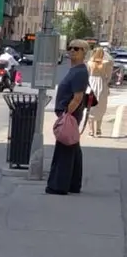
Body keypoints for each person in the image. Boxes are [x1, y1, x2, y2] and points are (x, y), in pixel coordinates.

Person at [47, 40, 90, 195]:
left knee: (64, 149)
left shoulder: (79, 72)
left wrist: (66, 115)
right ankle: (73, 184)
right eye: (70, 48)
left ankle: (58, 186)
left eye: (76, 49)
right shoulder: (75, 69)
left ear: (84, 52)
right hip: (70, 114)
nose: (72, 51)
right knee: (72, 146)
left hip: (70, 114)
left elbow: (77, 97)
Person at [86, 46, 112, 137]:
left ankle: (91, 131)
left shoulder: (89, 63)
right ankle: (98, 130)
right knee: (101, 107)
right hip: (102, 85)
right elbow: (108, 77)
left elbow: (87, 74)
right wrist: (105, 83)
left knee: (90, 108)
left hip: (91, 85)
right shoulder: (106, 63)